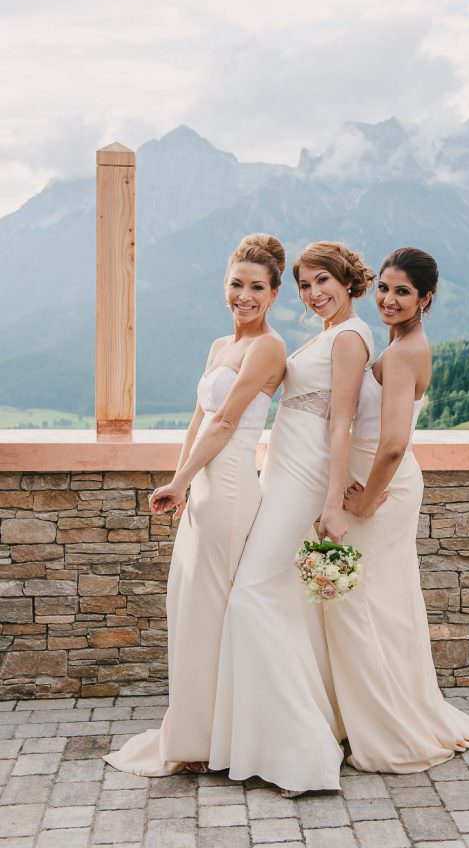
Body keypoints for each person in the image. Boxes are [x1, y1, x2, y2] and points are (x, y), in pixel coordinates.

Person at [104, 234, 287, 776]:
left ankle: (222, 737)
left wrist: (183, 482)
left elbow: (229, 422)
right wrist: (180, 478)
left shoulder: (269, 348)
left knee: (214, 609)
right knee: (189, 605)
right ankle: (193, 731)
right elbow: (197, 421)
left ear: (274, 294)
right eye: (236, 284)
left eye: (257, 287)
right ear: (224, 286)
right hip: (203, 488)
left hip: (229, 487)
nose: (244, 295)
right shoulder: (217, 346)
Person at [325, 247, 469, 772]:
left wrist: (365, 497)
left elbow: (392, 443)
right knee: (377, 602)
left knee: (361, 603)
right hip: (380, 484)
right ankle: (365, 713)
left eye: (402, 291)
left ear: (425, 299)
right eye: (384, 287)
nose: (388, 298)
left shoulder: (406, 352)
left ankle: (384, 724)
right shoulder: (398, 342)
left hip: (384, 489)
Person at [209, 241, 375, 794]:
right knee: (275, 600)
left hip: (305, 478)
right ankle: (264, 742)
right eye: (305, 285)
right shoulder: (326, 336)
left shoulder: (350, 338)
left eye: (323, 280)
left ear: (348, 281)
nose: (314, 293)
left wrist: (330, 503)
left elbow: (340, 423)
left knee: (251, 596)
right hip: (280, 471)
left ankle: (300, 753)